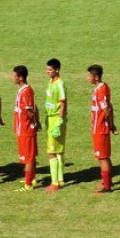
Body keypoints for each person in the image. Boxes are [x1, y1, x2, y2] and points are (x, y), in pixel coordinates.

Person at [87, 64, 117, 193]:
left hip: (101, 129)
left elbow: (107, 110)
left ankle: (107, 187)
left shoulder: (101, 90)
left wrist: (111, 125)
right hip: (97, 128)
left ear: (96, 77)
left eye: (89, 75)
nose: (87, 78)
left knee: (102, 157)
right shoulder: (99, 88)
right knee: (104, 157)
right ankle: (107, 182)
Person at [12, 66, 40, 192]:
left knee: (28, 157)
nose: (12, 77)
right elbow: (35, 107)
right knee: (30, 156)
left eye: (14, 75)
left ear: (21, 77)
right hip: (22, 129)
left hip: (26, 130)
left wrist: (34, 123)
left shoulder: (26, 92)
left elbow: (30, 111)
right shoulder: (22, 90)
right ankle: (32, 178)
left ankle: (28, 185)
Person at [45, 59, 68, 191]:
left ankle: (54, 183)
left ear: (57, 70)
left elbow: (63, 103)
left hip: (56, 119)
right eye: (47, 69)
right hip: (50, 118)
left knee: (52, 151)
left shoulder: (60, 84)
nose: (47, 72)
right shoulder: (50, 82)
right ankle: (60, 179)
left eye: (50, 70)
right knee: (58, 151)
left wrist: (59, 121)